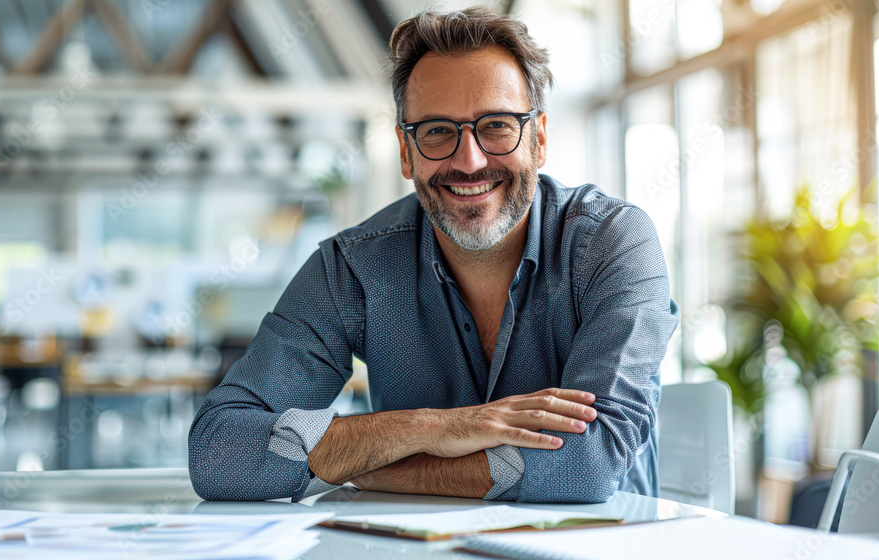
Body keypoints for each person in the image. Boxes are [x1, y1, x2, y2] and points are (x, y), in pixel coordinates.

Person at [188, 6, 679, 504]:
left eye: (497, 125)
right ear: (406, 151)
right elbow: (218, 450)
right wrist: (431, 428)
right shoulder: (355, 268)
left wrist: (370, 465)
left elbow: (592, 463)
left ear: (540, 137)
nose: (469, 161)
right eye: (438, 131)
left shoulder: (612, 242)